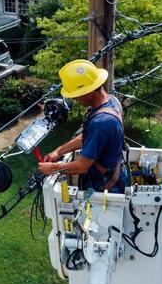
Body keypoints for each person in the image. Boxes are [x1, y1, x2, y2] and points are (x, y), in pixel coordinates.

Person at [38, 59, 128, 193]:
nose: (74, 99)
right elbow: (86, 137)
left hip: (106, 187)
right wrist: (58, 151)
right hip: (111, 174)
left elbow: (82, 166)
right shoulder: (111, 101)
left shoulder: (101, 123)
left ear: (88, 92)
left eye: (76, 95)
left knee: (91, 212)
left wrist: (53, 168)